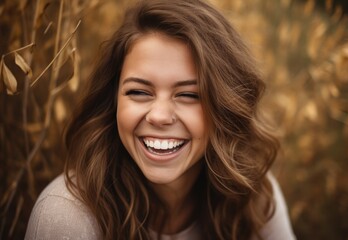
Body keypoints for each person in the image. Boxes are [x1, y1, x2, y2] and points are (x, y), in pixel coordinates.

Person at [25, 0, 296, 239]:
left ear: (225, 108)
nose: (159, 116)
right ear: (113, 101)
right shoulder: (65, 215)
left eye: (189, 95)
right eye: (139, 92)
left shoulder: (252, 197)